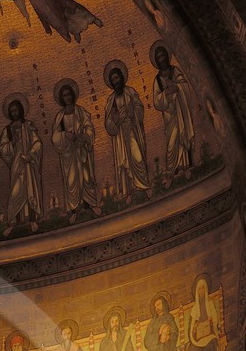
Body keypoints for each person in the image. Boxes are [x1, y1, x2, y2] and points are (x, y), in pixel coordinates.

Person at [50, 80, 97, 220]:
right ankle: (74, 210)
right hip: (69, 155)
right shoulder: (60, 117)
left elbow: (89, 127)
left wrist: (85, 136)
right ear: (61, 98)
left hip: (82, 151)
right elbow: (55, 137)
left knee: (87, 177)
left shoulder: (81, 111)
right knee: (71, 181)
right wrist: (66, 135)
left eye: (69, 94)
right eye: (64, 95)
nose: (68, 97)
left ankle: (91, 204)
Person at [103, 61, 149, 202]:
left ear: (122, 77)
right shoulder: (111, 101)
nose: (116, 81)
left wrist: (132, 111)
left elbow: (139, 108)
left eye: (117, 78)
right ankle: (128, 192)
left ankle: (144, 186)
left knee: (137, 157)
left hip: (132, 131)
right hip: (120, 137)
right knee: (123, 164)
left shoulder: (130, 92)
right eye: (113, 80)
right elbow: (108, 123)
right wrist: (114, 121)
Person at [0, 97, 43, 233]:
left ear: (21, 110)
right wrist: (10, 146)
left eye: (16, 110)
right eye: (11, 111)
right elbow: (3, 148)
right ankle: (13, 221)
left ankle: (32, 220)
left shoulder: (28, 125)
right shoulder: (7, 130)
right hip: (17, 164)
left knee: (30, 188)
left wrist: (31, 153)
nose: (14, 113)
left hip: (28, 163)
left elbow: (37, 143)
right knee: (16, 192)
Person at [151, 42, 195, 174]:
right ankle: (172, 170)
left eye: (163, 55)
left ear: (167, 56)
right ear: (157, 61)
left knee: (183, 136)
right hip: (169, 116)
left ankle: (186, 167)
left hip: (181, 111)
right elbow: (156, 101)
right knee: (172, 142)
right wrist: (167, 93)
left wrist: (177, 88)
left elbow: (184, 86)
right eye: (159, 57)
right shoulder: (157, 80)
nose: (162, 59)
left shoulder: (175, 71)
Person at [187, 275, 220, 351]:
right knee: (193, 350)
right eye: (199, 288)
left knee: (212, 345)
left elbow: (215, 321)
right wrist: (196, 326)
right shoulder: (195, 308)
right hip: (198, 339)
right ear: (197, 291)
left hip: (209, 335)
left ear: (206, 289)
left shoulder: (209, 304)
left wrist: (211, 321)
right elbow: (190, 329)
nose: (201, 290)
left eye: (203, 288)